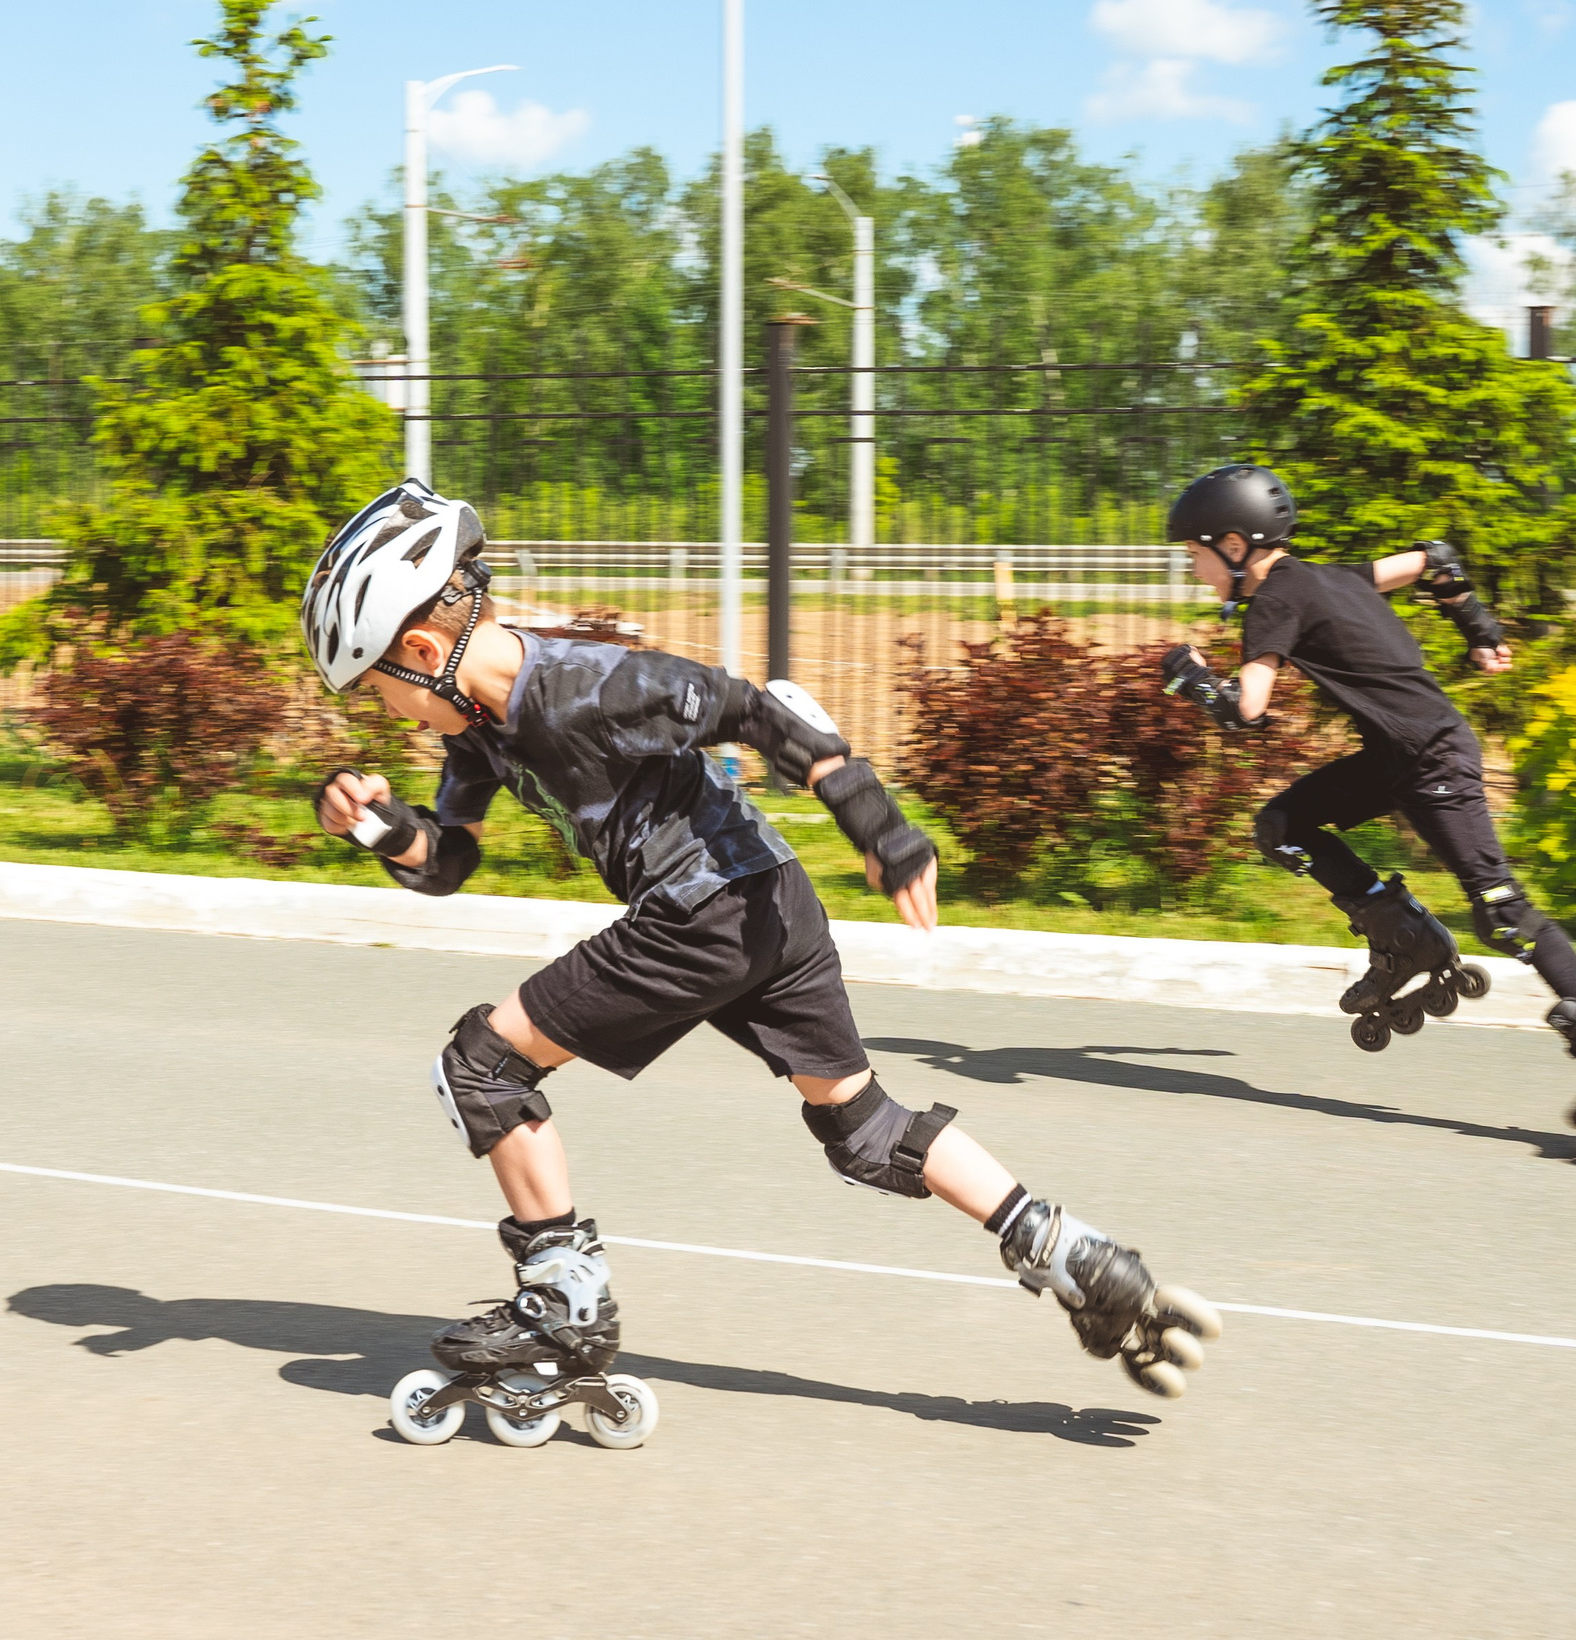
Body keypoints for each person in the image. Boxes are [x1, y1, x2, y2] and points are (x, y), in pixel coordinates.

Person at [297, 479, 1221, 1448]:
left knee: (483, 1065)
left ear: (422, 651)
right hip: (773, 905)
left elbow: (754, 709)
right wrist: (383, 829)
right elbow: (447, 865)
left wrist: (880, 823)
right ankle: (1078, 1259)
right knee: (862, 1129)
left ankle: (563, 1304)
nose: (388, 711)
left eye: (378, 687)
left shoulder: (580, 685)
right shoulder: (477, 734)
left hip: (703, 912)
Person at [1155, 464, 1576, 1165]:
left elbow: (1249, 711)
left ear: (1236, 545)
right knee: (1283, 825)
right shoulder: (1333, 576)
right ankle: (1407, 939)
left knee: (1501, 908)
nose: (1193, 567)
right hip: (1397, 756)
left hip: (1432, 760)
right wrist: (1477, 626)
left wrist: (1192, 680)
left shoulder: (1274, 599)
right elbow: (1435, 559)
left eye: (1196, 553)